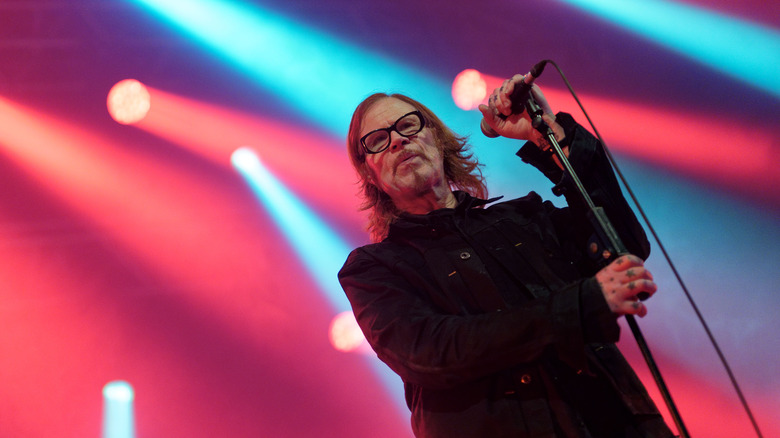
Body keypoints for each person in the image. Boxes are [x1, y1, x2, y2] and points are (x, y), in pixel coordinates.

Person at [338, 74, 675, 438]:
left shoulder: (525, 218)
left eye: (408, 125)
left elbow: (621, 246)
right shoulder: (374, 269)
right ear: (369, 175)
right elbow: (431, 351)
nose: (398, 140)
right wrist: (580, 304)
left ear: (437, 139)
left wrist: (550, 139)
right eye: (377, 140)